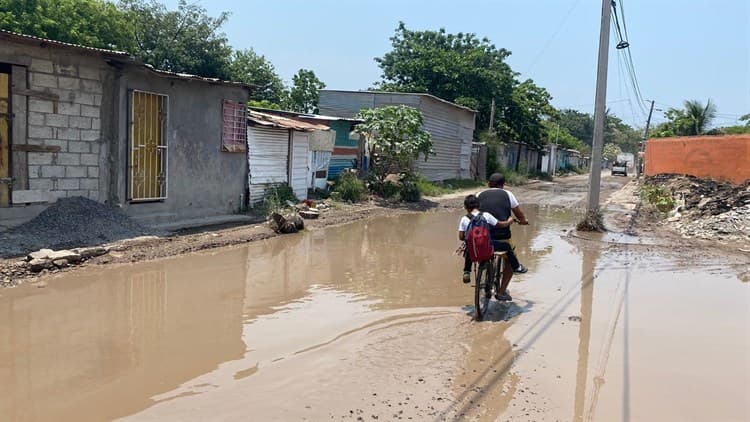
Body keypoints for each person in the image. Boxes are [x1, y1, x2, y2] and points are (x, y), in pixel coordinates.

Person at [477, 173, 529, 301]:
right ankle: (501, 292)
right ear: (503, 185)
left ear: (489, 184)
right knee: (511, 259)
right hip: (502, 237)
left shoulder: (479, 195)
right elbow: (518, 212)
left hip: (481, 237)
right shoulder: (508, 194)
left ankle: (483, 272)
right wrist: (523, 220)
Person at [458, 194, 514, 284]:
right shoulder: (486, 215)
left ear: (465, 207)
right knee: (506, 246)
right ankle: (516, 267)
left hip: (473, 250)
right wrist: (509, 221)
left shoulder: (464, 219)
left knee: (469, 247)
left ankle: (467, 271)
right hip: (486, 246)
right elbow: (500, 225)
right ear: (479, 205)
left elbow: (461, 237)